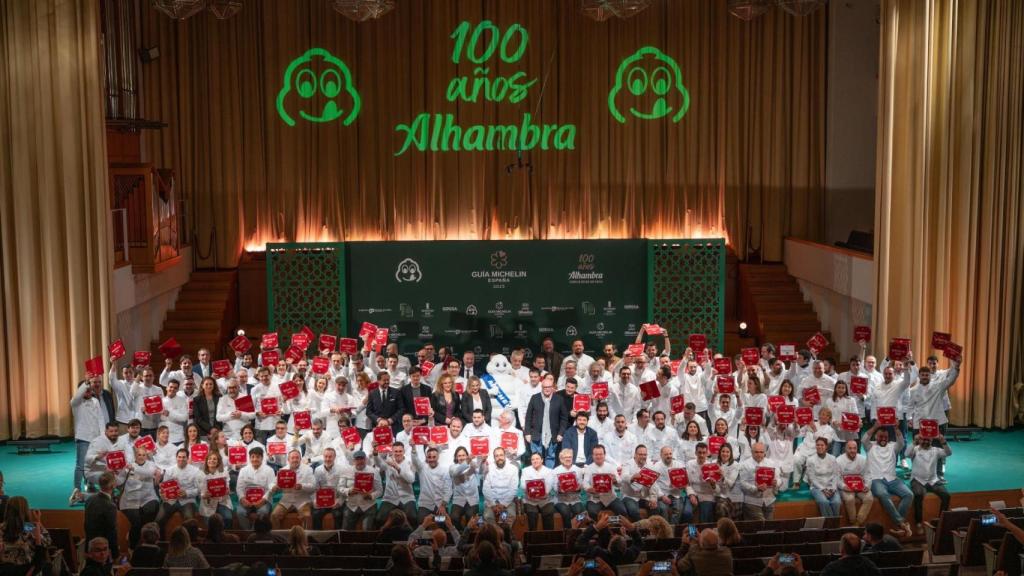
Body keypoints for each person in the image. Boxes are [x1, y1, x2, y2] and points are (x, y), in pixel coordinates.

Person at [862, 422, 913, 537]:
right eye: (881, 436)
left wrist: (896, 428)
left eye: (885, 437)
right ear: (876, 437)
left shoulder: (893, 446)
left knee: (909, 494)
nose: (883, 439)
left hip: (892, 479)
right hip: (876, 479)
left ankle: (898, 526)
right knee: (883, 495)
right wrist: (875, 426)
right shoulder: (870, 446)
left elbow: (901, 442)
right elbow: (864, 439)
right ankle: (902, 523)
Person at [71, 374, 110, 505]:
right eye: (86, 389)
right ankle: (76, 489)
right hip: (83, 437)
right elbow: (78, 395)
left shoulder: (95, 401)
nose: (89, 392)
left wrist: (103, 436)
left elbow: (100, 419)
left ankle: (90, 485)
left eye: (90, 390)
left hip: (96, 438)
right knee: (81, 465)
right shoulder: (76, 402)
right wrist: (87, 382)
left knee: (94, 463)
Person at [907, 433, 952, 529]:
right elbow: (906, 454)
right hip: (917, 480)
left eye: (928, 440)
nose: (926, 442)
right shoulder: (915, 449)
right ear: (920, 440)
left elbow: (949, 453)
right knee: (918, 495)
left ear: (931, 441)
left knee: (946, 496)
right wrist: (914, 442)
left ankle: (941, 521)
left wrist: (943, 442)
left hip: (933, 480)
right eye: (923, 439)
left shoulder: (936, 450)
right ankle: (918, 522)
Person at [120, 446, 161, 549]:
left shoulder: (151, 465)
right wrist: (114, 472)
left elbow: (149, 473)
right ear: (135, 455)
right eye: (139, 455)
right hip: (130, 499)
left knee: (151, 509)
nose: (141, 457)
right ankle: (132, 548)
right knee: (136, 523)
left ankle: (144, 541)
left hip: (148, 497)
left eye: (144, 455)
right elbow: (119, 481)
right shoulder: (129, 466)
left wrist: (134, 468)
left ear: (146, 456)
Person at [525, 375, 566, 467]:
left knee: (550, 456)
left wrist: (561, 433)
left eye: (549, 387)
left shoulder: (559, 399)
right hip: (536, 434)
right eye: (545, 387)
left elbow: (564, 418)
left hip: (553, 434)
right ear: (541, 387)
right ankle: (537, 477)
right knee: (536, 457)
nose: (547, 389)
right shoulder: (534, 398)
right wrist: (527, 432)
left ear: (553, 387)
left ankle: (548, 478)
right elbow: (528, 417)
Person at [156, 448, 202, 530]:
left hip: (187, 501)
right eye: (179, 457)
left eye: (183, 457)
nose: (181, 459)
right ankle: (161, 541)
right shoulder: (169, 470)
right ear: (176, 457)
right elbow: (163, 488)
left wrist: (187, 493)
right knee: (158, 520)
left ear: (187, 458)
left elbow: (199, 490)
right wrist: (162, 494)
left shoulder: (195, 471)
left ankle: (190, 542)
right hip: (171, 500)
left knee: (190, 522)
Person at [739, 442, 783, 521]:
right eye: (756, 452)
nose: (759, 454)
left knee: (769, 527)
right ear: (752, 452)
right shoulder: (745, 465)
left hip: (769, 499)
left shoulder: (771, 463)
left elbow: (779, 480)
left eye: (761, 452)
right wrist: (756, 488)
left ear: (765, 453)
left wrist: (776, 483)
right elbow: (742, 483)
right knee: (760, 525)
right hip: (752, 501)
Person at [235, 447, 275, 530]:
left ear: (262, 458)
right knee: (240, 512)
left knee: (262, 512)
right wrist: (243, 499)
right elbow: (239, 488)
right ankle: (248, 532)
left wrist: (262, 501)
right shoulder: (243, 470)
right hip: (246, 500)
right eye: (252, 457)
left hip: (263, 501)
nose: (255, 459)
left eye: (257, 457)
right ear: (249, 458)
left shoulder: (269, 470)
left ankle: (256, 533)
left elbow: (270, 489)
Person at [341, 450, 382, 530]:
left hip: (368, 506)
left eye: (362, 459)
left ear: (365, 460)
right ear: (353, 461)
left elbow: (380, 490)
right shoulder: (346, 471)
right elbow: (340, 488)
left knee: (367, 531)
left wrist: (371, 496)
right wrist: (349, 491)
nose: (360, 461)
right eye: (357, 459)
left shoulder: (374, 471)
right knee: (345, 532)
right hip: (351, 506)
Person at [836, 440, 873, 526]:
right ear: (845, 449)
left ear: (857, 449)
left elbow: (868, 474)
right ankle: (852, 521)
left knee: (869, 498)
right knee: (849, 499)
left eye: (854, 448)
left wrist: (867, 485)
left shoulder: (863, 459)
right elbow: (836, 478)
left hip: (861, 486)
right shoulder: (838, 460)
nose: (852, 450)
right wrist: (844, 486)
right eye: (850, 448)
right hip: (846, 487)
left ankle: (858, 522)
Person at [84, 472, 120, 559]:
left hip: (90, 547)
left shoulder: (90, 499)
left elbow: (86, 525)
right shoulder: (110, 506)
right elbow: (111, 532)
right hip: (102, 551)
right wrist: (115, 554)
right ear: (113, 485)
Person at [805, 437, 842, 517]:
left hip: (831, 487)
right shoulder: (810, 460)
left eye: (822, 445)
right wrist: (823, 489)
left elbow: (836, 475)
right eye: (817, 445)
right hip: (816, 488)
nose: (819, 447)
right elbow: (812, 478)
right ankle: (829, 524)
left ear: (826, 447)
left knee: (836, 502)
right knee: (824, 502)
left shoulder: (832, 458)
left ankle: (833, 524)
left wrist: (833, 488)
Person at [481, 447, 519, 524]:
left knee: (508, 517)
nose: (499, 458)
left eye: (501, 455)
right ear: (494, 458)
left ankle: (505, 535)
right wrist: (493, 505)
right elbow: (485, 489)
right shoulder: (488, 468)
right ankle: (494, 535)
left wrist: (503, 505)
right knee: (488, 516)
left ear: (505, 456)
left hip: (508, 502)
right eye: (497, 456)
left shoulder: (513, 469)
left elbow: (513, 489)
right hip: (492, 502)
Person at [520, 452, 556, 530]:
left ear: (542, 460)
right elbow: (523, 485)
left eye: (537, 459)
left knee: (548, 512)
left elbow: (548, 487)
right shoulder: (525, 470)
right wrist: (536, 489)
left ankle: (548, 538)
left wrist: (533, 488)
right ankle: (533, 539)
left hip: (545, 500)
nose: (535, 461)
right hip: (530, 500)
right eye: (533, 459)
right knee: (532, 514)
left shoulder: (549, 471)